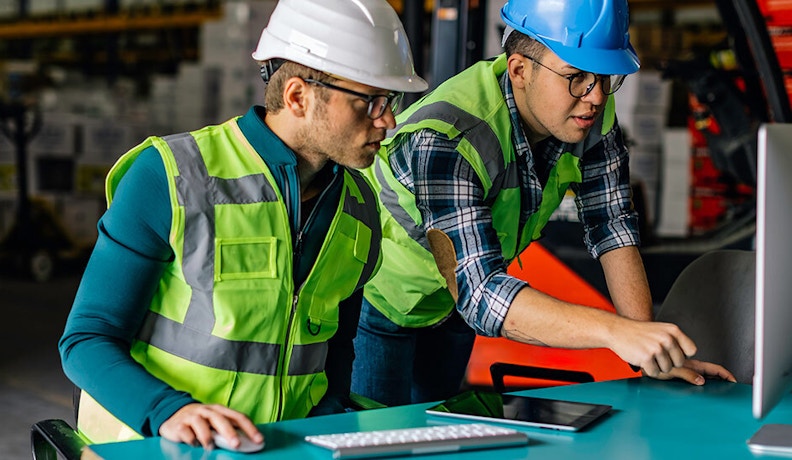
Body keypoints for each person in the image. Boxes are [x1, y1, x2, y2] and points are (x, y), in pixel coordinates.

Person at [58, 0, 427, 450]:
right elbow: (86, 341)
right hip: (149, 446)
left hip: (280, 450)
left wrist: (328, 424)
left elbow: (336, 351)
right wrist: (169, 411)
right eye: (371, 102)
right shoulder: (170, 176)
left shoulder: (360, 207)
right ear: (298, 96)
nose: (387, 120)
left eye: (392, 102)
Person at [351, 0, 736, 407]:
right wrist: (615, 332)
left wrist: (650, 350)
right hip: (382, 302)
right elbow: (481, 290)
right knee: (379, 435)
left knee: (437, 432)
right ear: (519, 70)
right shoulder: (449, 138)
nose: (596, 96)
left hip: (451, 305)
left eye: (606, 77)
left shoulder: (589, 115)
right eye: (576, 77)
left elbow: (612, 225)